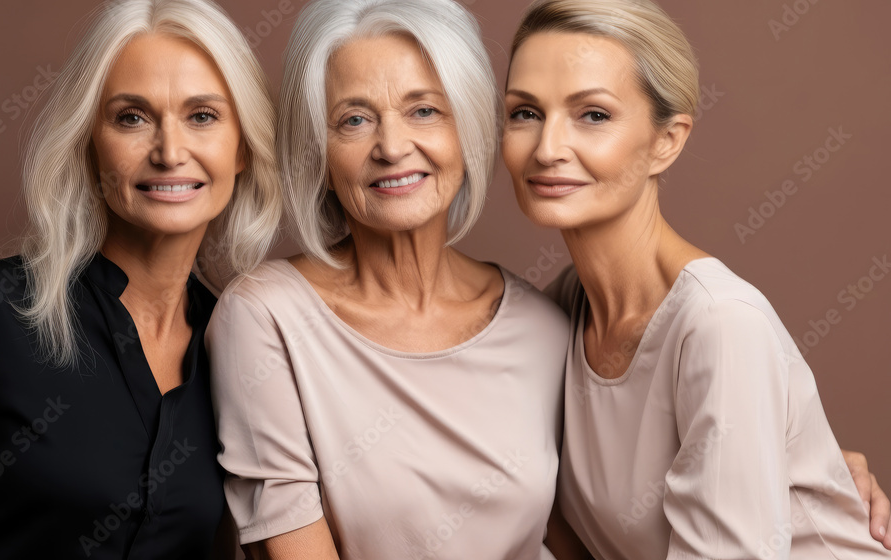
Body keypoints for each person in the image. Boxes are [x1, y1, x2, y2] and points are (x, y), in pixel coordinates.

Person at [500, 0, 891, 558]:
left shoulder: (720, 326)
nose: (547, 148)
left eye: (593, 115)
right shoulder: (565, 306)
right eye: (525, 113)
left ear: (668, 140)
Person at [0, 0, 281, 558]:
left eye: (202, 116)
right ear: (88, 142)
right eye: (132, 117)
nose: (170, 153)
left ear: (242, 146)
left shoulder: (243, 346)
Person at [207, 0, 568, 558]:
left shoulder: (544, 327)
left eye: (424, 110)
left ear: (466, 128)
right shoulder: (265, 316)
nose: (393, 147)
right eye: (354, 119)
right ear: (318, 156)